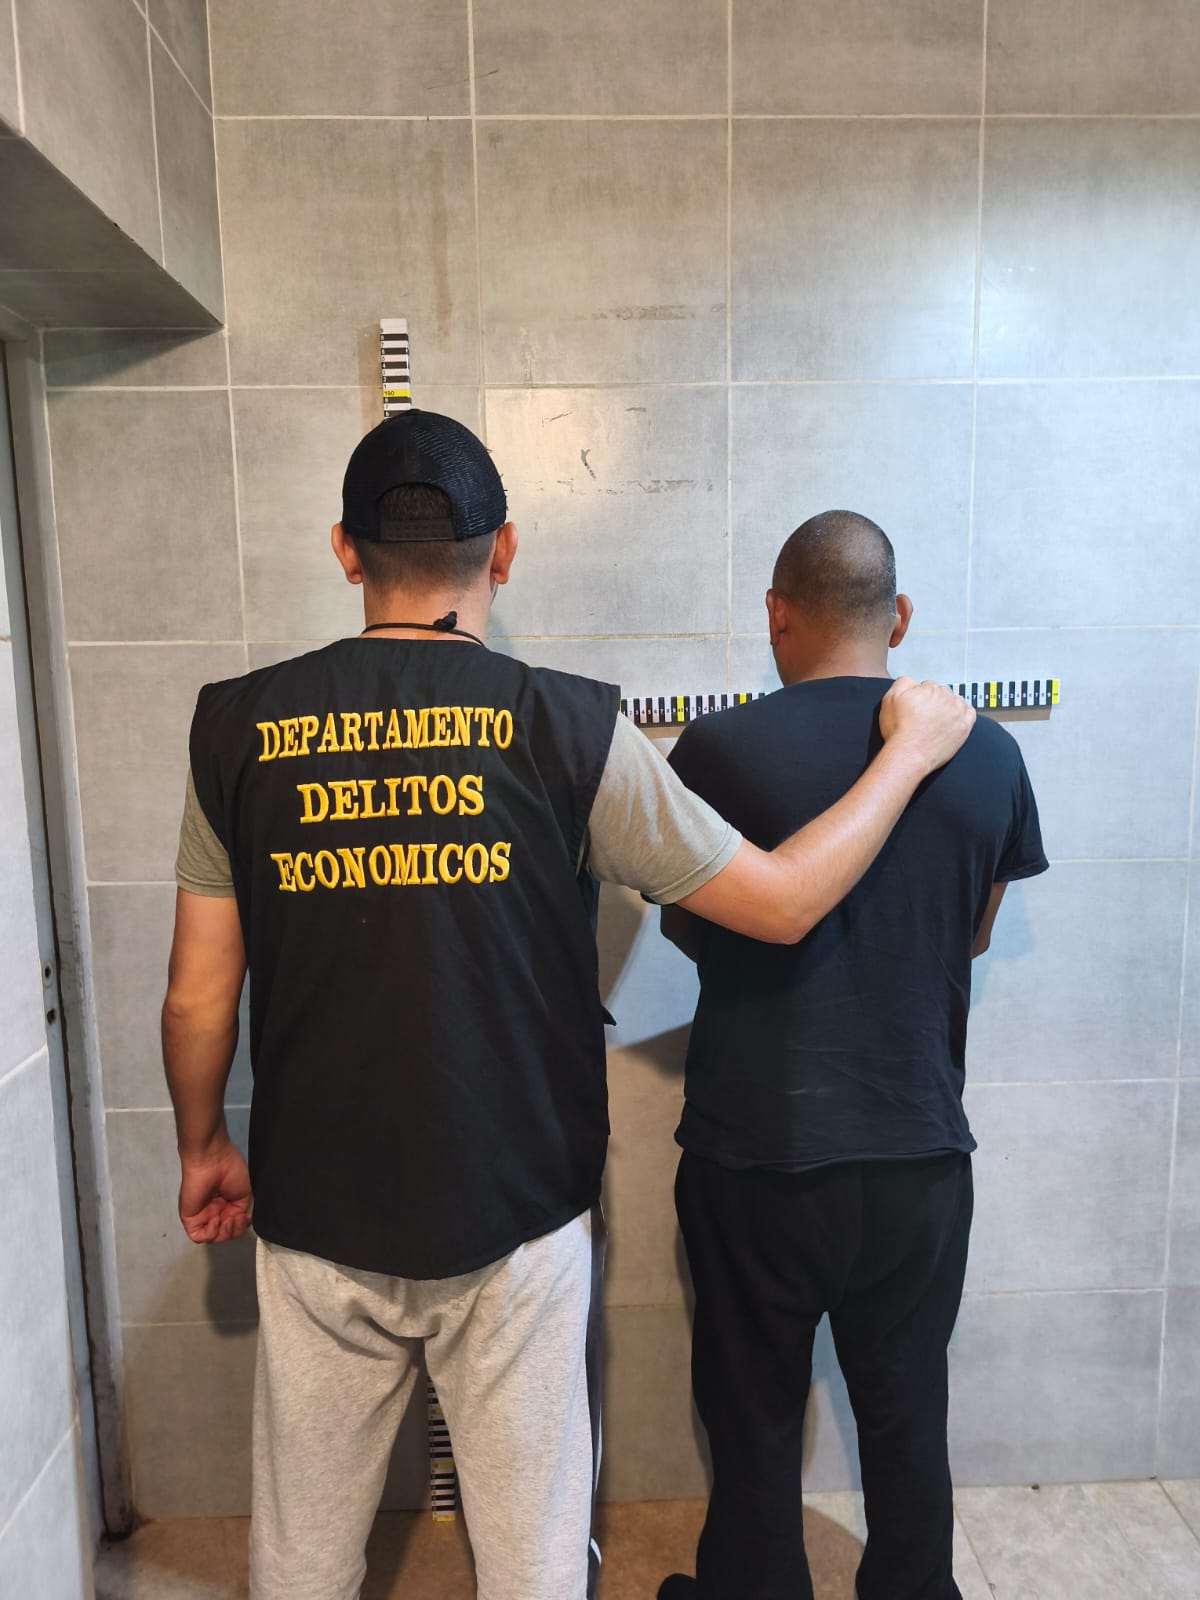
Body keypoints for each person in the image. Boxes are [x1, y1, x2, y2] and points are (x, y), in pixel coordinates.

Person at [161, 419, 973, 1600]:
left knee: (303, 1552)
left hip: (317, 1204)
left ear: (345, 551)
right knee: (533, 1557)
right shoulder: (573, 728)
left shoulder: (235, 728)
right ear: (504, 552)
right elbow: (786, 902)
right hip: (518, 1211)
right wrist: (909, 751)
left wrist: (202, 1145)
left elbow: (197, 995)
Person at [656, 510, 1047, 1600]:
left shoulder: (715, 751)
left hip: (754, 1158)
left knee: (751, 1416)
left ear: (775, 615)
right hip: (918, 1154)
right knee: (908, 1409)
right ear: (899, 616)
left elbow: (695, 927)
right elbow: (971, 932)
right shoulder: (990, 753)